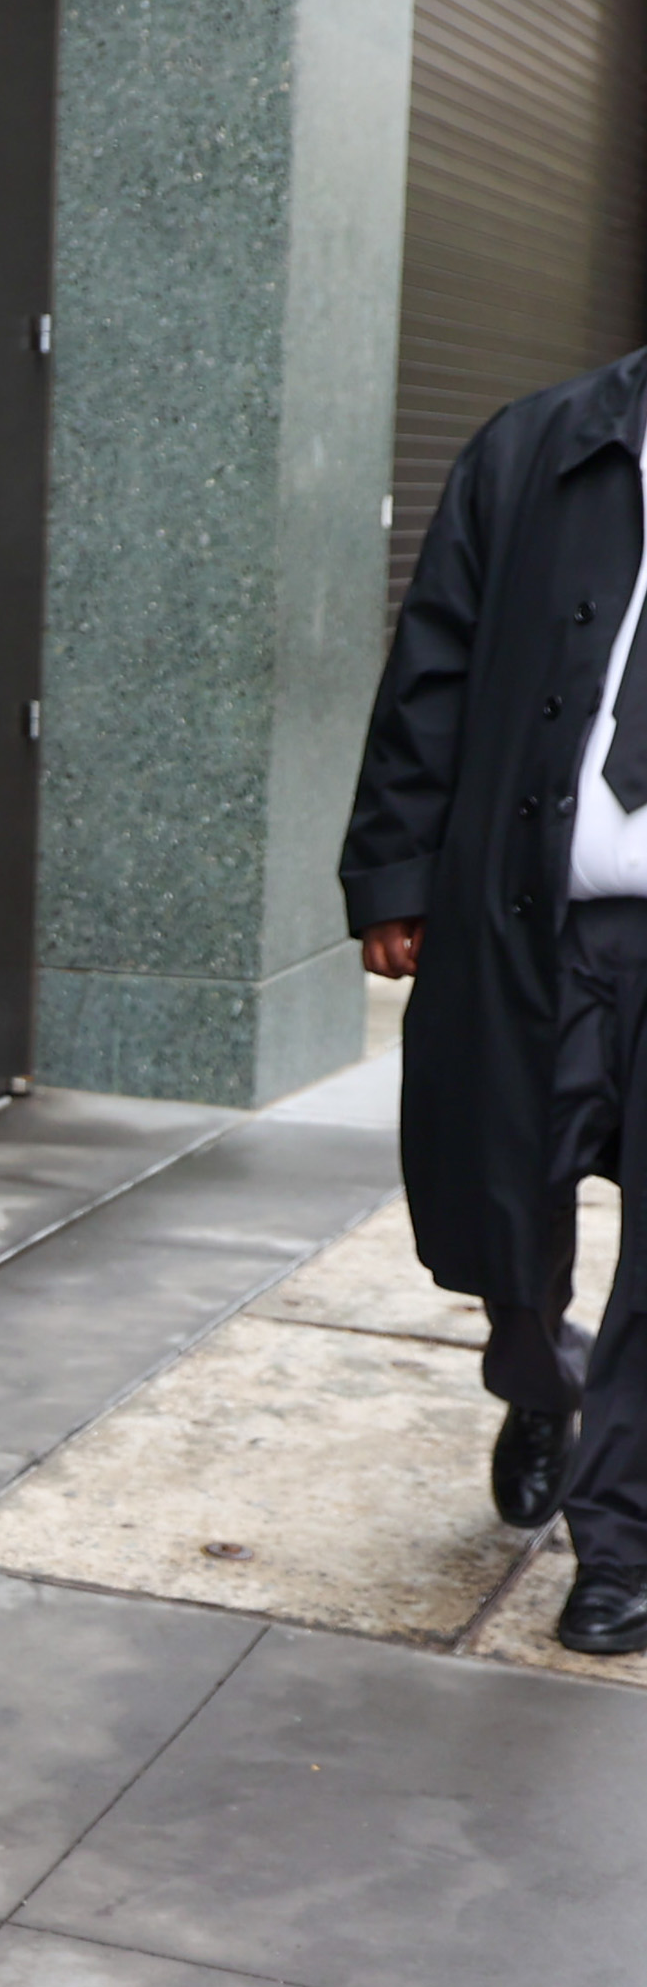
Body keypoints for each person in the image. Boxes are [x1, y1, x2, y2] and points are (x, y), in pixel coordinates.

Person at [342, 340, 647, 1653]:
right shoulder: (535, 448)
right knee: (500, 1213)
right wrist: (393, 871)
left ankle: (620, 1538)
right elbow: (432, 669)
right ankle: (537, 1379)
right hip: (532, 919)